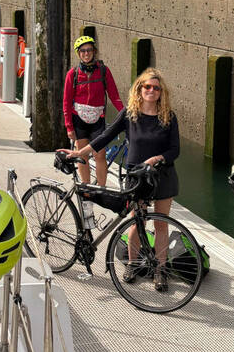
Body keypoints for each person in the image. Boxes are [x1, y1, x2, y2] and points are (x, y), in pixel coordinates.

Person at [66, 67, 179, 290]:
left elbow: (175, 150)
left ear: (161, 92)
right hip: (137, 177)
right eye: (147, 86)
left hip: (163, 176)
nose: (152, 91)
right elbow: (106, 136)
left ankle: (160, 271)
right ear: (140, 89)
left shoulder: (169, 117)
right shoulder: (130, 113)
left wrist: (158, 158)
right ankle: (133, 264)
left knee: (161, 225)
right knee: (137, 222)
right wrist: (82, 152)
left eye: (156, 88)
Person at [62, 35, 123, 185]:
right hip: (79, 119)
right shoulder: (73, 74)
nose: (86, 53)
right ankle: (86, 188)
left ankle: (102, 189)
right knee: (82, 156)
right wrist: (69, 127)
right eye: (82, 51)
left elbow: (114, 96)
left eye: (89, 50)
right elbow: (66, 102)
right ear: (78, 53)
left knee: (100, 155)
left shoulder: (103, 71)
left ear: (94, 51)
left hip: (98, 119)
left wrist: (125, 113)